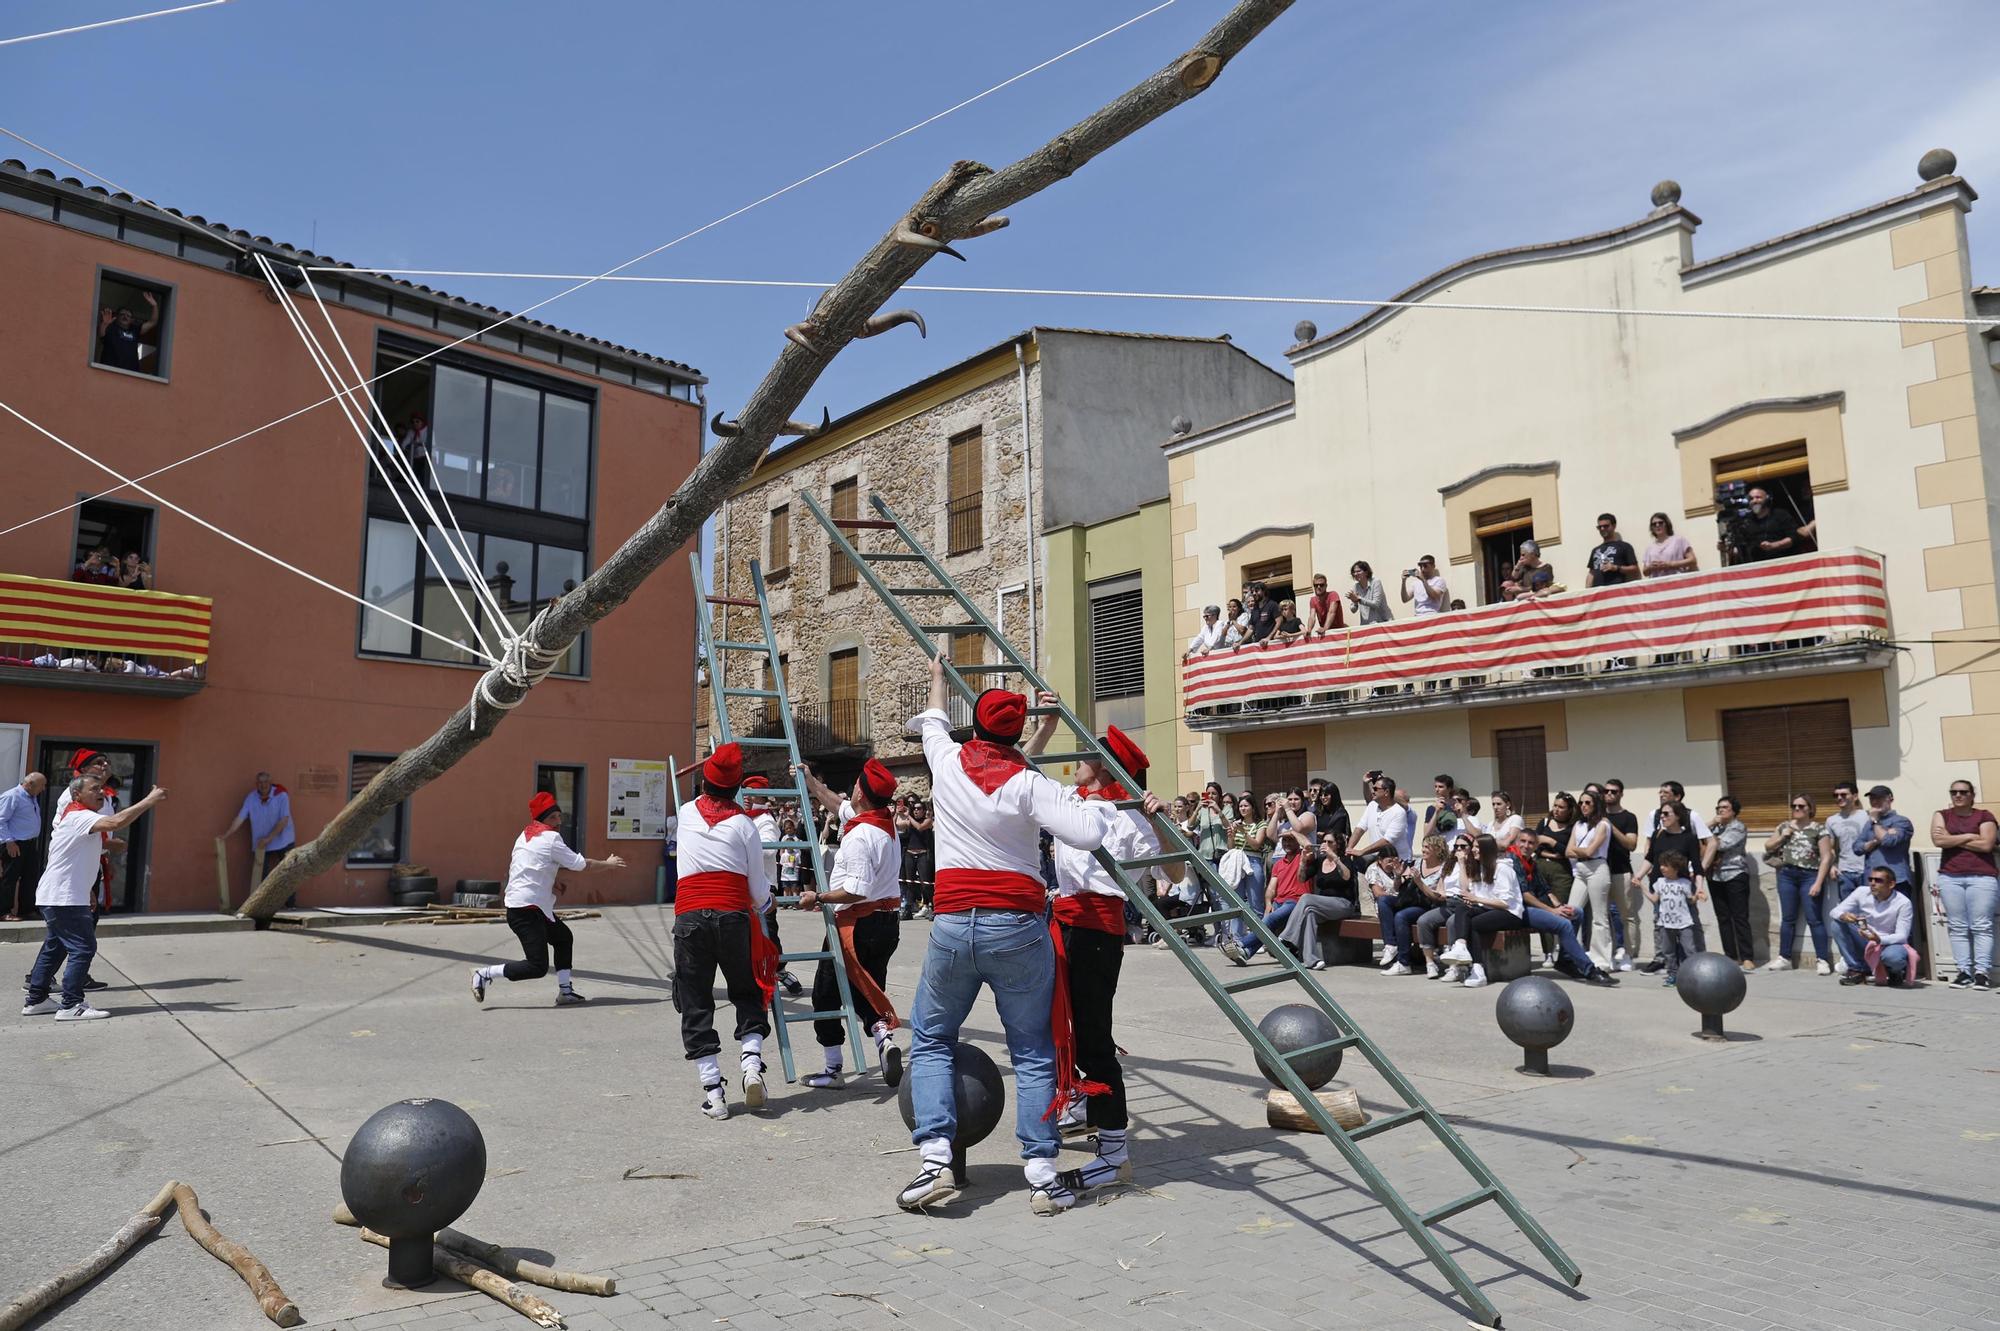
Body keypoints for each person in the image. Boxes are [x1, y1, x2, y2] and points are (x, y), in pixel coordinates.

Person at [897, 656, 1113, 1217]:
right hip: (1016, 926)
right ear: (1018, 735)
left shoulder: (945, 763)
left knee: (931, 1038)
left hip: (951, 923)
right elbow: (1088, 833)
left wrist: (939, 676)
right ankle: (1042, 1175)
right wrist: (1081, 796)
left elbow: (935, 721)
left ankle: (936, 1159)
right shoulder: (1027, 782)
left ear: (976, 726)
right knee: (1033, 1050)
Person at [1025, 715, 1171, 1194]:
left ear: (1105, 769)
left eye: (1089, 756)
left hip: (1097, 932)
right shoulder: (1073, 801)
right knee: (1061, 1026)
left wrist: (1158, 820)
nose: (1078, 761)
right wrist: (1046, 722)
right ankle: (1083, 1104)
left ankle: (1114, 1152)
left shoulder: (1127, 816)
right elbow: (1024, 766)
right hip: (1063, 924)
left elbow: (1173, 871)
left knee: (1094, 1039)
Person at [671, 743, 776, 1121]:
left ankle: (714, 1093)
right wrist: (767, 906)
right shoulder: (745, 825)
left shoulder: (684, 814)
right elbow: (757, 888)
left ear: (704, 783)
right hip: (732, 917)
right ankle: (751, 1066)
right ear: (736, 789)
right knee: (747, 990)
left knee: (695, 999)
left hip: (690, 918)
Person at [795, 758, 906, 1087]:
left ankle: (833, 1070)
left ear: (860, 790)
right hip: (886, 923)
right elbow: (838, 804)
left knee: (826, 994)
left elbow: (857, 891)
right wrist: (812, 782)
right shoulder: (881, 821)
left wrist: (819, 898)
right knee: (867, 992)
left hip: (861, 923)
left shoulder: (860, 836)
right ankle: (884, 1039)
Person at [22, 776, 167, 1020]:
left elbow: (72, 860)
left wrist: (87, 889)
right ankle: (71, 1005)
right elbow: (116, 821)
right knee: (83, 947)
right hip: (63, 898)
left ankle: (36, 1000)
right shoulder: (80, 816)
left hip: (62, 895)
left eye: (102, 788)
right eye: (95, 789)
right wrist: (149, 800)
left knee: (56, 947)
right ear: (77, 795)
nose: (102, 793)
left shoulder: (78, 817)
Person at [471, 791, 625, 1006]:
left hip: (531, 906)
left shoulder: (525, 835)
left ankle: (565, 992)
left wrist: (553, 880)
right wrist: (608, 864)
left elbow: (531, 867)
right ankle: (484, 973)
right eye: (553, 818)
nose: (559, 822)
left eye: (560, 816)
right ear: (542, 819)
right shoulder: (551, 838)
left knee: (563, 937)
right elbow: (583, 865)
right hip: (526, 910)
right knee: (537, 966)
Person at [1222, 810, 1317, 964]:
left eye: (1290, 840)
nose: (1286, 843)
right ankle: (1246, 953)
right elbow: (1271, 888)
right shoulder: (1278, 863)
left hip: (1296, 902)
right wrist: (1268, 903)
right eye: (1284, 841)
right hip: (1279, 902)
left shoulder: (1303, 856)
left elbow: (1308, 844)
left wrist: (1293, 831)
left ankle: (1241, 944)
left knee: (1271, 919)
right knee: (1268, 919)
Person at [740, 775, 804, 999]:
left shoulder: (765, 820)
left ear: (759, 797)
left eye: (750, 793)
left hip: (765, 885)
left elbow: (768, 850)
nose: (745, 797)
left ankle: (781, 970)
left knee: (768, 932)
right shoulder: (744, 817)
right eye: (744, 792)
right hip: (745, 884)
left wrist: (744, 845)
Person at [1930, 780, 1997, 990]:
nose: (1958, 795)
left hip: (1982, 877)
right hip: (1950, 876)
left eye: (1963, 792)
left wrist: (1953, 838)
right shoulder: (1941, 814)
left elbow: (1987, 845)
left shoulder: (1984, 816)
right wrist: (1969, 836)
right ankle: (1963, 972)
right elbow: (1938, 841)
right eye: (1954, 792)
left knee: (1981, 926)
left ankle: (1981, 973)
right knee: (1957, 926)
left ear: (1971, 795)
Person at [1435, 833, 1524, 988]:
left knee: (1475, 923)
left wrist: (1477, 900)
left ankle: (1478, 970)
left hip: (1510, 913)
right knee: (1463, 908)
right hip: (1488, 908)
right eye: (1474, 846)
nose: (1474, 850)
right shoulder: (1479, 868)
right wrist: (1472, 898)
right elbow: (1467, 891)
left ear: (1487, 849)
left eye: (1477, 847)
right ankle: (1461, 946)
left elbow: (1505, 903)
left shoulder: (1502, 868)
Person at [1764, 794, 1834, 973]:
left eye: (1801, 806)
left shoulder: (1819, 829)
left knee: (1814, 918)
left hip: (1809, 875)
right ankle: (1784, 957)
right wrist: (1782, 837)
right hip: (1787, 874)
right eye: (1794, 806)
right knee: (1788, 918)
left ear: (1810, 808)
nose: (1796, 809)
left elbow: (1826, 857)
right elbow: (1768, 846)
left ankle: (1822, 960)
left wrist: (1818, 882)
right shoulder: (1784, 826)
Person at [1278, 829, 1359, 970]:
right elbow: (1301, 879)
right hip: (1323, 906)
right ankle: (1311, 959)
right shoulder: (1320, 861)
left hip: (1343, 904)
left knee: (1306, 898)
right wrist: (1303, 862)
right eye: (1324, 842)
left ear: (1337, 845)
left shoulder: (1345, 859)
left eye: (1330, 842)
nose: (1325, 844)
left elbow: (1346, 876)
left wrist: (1334, 857)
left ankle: (1287, 937)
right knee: (1309, 913)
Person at [1831, 867, 1917, 986]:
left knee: (1894, 958)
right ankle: (1857, 969)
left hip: (1888, 943)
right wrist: (1843, 915)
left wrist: (1879, 939)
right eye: (1870, 879)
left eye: (1878, 880)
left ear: (1891, 884)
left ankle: (1894, 972)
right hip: (1865, 938)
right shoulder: (1861, 892)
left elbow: (1902, 936)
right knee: (1837, 924)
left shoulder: (1903, 902)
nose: (1872, 883)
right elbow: (1834, 911)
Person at [219, 772, 295, 899]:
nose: (263, 785)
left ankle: (291, 905)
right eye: (260, 782)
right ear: (256, 784)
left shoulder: (281, 795)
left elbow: (284, 820)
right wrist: (227, 834)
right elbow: (240, 818)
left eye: (266, 782)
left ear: (270, 783)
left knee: (289, 872)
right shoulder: (251, 798)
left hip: (283, 839)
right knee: (261, 876)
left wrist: (269, 838)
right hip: (261, 842)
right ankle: (263, 904)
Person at [1824, 781, 1872, 974]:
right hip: (1846, 874)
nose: (1840, 798)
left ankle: (1872, 959)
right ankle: (1855, 962)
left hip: (1867, 873)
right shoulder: (1831, 820)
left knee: (1869, 916)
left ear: (1855, 795)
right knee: (1848, 918)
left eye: (1844, 794)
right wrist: (1832, 866)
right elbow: (1830, 848)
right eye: (1836, 795)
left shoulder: (1866, 816)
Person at [1705, 796, 1757, 970]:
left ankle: (1747, 956)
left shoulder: (1738, 827)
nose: (1720, 810)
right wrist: (1711, 824)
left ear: (1733, 810)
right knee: (1723, 918)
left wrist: (1708, 833)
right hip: (1715, 876)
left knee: (1740, 917)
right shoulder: (1716, 827)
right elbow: (1697, 837)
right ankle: (1731, 956)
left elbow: (1721, 845)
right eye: (1718, 807)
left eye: (1725, 807)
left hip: (1735, 874)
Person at [1566, 789, 1614, 971]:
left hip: (1597, 868)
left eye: (1588, 803)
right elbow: (1567, 851)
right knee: (1571, 912)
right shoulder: (1578, 825)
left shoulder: (1603, 825)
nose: (1583, 806)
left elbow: (1589, 851)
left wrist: (1578, 850)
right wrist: (1580, 851)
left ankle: (1601, 960)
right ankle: (1572, 955)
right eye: (1581, 803)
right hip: (1580, 869)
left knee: (1599, 917)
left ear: (1596, 805)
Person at [1601, 779, 1643, 971]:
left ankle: (1628, 954)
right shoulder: (1598, 816)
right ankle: (1609, 954)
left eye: (1614, 791)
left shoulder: (1629, 817)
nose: (1609, 794)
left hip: (1621, 870)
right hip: (1600, 872)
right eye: (1606, 791)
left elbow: (1631, 844)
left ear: (1621, 794)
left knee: (1627, 915)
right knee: (1602, 916)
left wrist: (1610, 826)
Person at [1645, 851, 1705, 986]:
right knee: (1668, 951)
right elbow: (1654, 899)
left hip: (1684, 923)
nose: (1662, 868)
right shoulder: (1660, 882)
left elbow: (1691, 900)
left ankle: (1693, 974)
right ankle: (1673, 974)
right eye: (1661, 865)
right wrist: (1642, 887)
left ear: (1676, 868)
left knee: (1689, 949)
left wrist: (1698, 895)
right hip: (1665, 923)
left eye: (1666, 865)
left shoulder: (1684, 883)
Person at [1858, 785, 1915, 912]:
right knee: (1875, 924)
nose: (1875, 802)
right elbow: (1857, 848)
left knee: (1900, 922)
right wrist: (1875, 840)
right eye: (1872, 798)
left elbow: (1888, 841)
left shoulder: (1902, 822)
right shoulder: (1868, 825)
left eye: (1879, 798)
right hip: (1873, 882)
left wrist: (1875, 822)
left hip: (1896, 881)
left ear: (1890, 799)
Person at [1, 772, 47, 921]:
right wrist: (9, 841)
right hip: (14, 843)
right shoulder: (12, 796)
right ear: (30, 784)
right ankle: (4, 911)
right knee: (10, 877)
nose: (44, 789)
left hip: (29, 842)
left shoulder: (31, 797)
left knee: (30, 876)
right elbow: (1, 820)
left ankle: (26, 909)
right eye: (42, 785)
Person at [1349, 775, 1413, 867]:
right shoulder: (1372, 806)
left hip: (1398, 863)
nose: (1372, 791)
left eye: (1375, 789)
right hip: (1379, 860)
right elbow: (1360, 828)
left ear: (1386, 792)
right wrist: (1349, 848)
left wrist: (1362, 852)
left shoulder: (1399, 812)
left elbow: (1387, 841)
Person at [96, 292, 160, 373]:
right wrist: (104, 324)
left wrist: (154, 305)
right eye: (122, 314)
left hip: (130, 374)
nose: (125, 316)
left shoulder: (135, 330)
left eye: (128, 315)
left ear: (131, 320)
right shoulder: (111, 327)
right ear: (117, 317)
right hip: (109, 371)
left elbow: (153, 322)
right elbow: (101, 335)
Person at [1741, 486, 1803, 561]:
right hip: (1759, 564)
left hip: (1785, 561)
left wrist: (1774, 545)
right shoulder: (1746, 521)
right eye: (1751, 499)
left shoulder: (1781, 514)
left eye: (1758, 497)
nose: (1754, 501)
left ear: (1767, 498)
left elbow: (1794, 537)